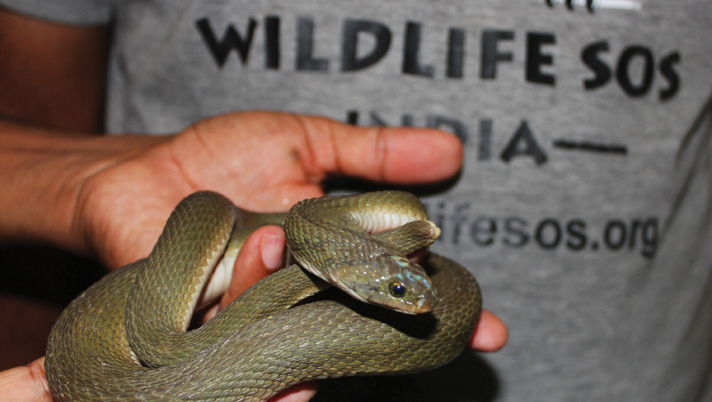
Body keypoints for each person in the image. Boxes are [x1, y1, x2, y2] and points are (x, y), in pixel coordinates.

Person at [1, 1, 712, 402]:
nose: (420, 297)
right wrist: (83, 176)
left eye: (409, 286)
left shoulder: (349, 250)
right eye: (402, 287)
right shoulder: (298, 250)